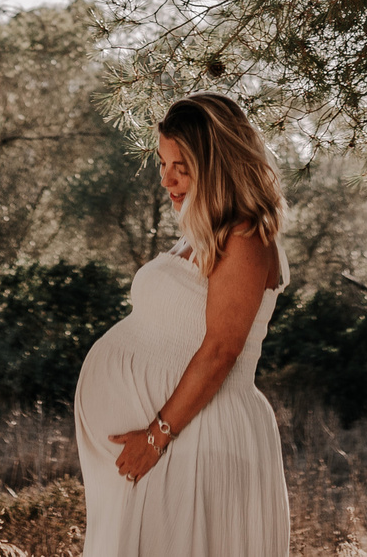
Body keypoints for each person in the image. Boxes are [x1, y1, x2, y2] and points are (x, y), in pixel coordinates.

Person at [74, 93, 291, 557]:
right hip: (182, 438)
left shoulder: (246, 236)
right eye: (163, 162)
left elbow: (220, 351)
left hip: (201, 439)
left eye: (183, 167)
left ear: (218, 167)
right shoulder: (199, 236)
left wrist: (155, 438)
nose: (166, 179)